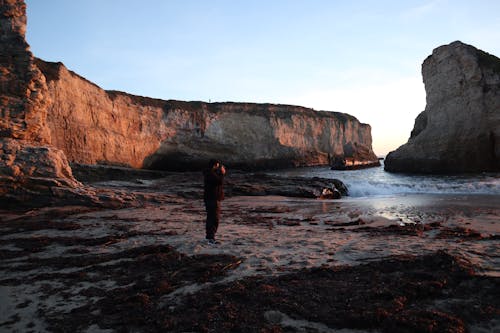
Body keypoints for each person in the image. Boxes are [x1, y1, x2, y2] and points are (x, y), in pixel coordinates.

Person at [203, 159, 226, 244]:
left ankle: (210, 237)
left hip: (212, 198)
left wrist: (220, 173)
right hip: (212, 198)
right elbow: (219, 181)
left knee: (212, 218)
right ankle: (210, 237)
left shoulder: (210, 173)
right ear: (215, 165)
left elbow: (217, 180)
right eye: (217, 165)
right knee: (213, 218)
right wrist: (223, 174)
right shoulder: (210, 173)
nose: (218, 167)